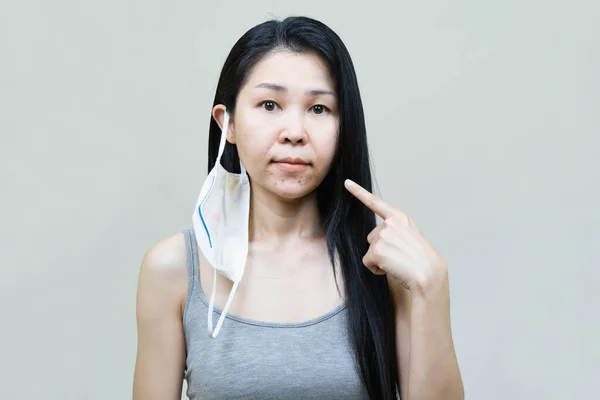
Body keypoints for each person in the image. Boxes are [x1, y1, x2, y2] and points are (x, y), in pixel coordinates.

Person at [133, 16, 464, 400]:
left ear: (345, 126)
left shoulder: (387, 268)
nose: (294, 131)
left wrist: (432, 285)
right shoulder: (173, 269)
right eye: (269, 104)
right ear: (229, 125)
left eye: (319, 109)